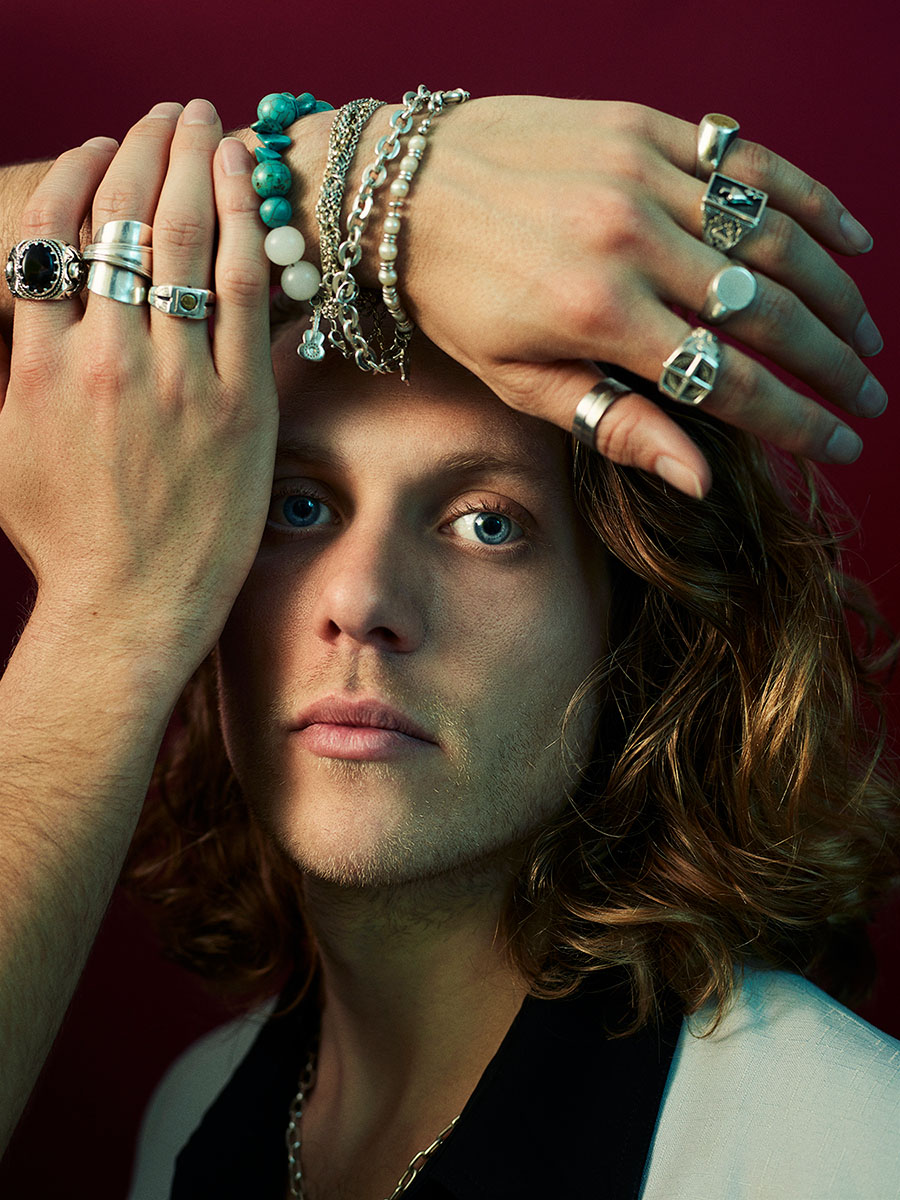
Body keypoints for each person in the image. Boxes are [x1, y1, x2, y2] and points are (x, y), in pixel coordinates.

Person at [0, 92, 896, 1198]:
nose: (364, 601)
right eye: (297, 509)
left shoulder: (843, 1149)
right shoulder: (194, 1118)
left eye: (487, 525)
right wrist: (353, 177)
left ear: (637, 626)